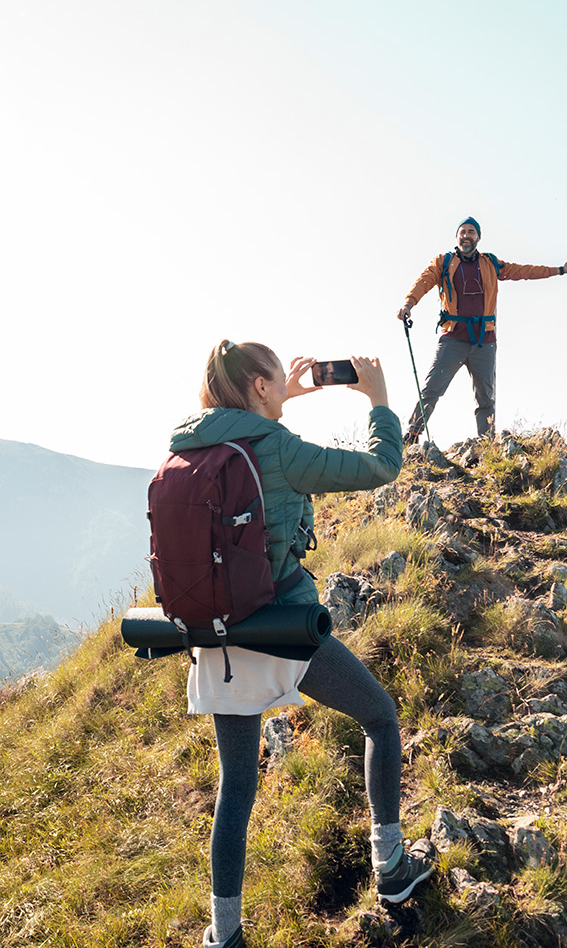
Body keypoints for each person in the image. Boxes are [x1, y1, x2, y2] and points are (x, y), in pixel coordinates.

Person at [168, 340, 432, 948]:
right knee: (381, 718)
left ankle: (224, 933)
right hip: (281, 627)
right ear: (259, 386)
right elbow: (379, 468)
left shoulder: (192, 446)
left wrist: (282, 401)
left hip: (216, 637)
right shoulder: (277, 448)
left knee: (236, 782)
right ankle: (390, 869)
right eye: (275, 374)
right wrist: (380, 401)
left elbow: (256, 473)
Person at [396, 216, 567, 444]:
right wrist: (409, 304)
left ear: (478, 237)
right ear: (457, 236)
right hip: (453, 339)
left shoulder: (491, 263)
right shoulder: (444, 262)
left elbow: (524, 271)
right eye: (463, 232)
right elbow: (424, 281)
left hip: (484, 342)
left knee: (486, 398)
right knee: (431, 390)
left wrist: (560, 270)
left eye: (471, 232)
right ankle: (411, 436)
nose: (466, 235)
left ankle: (486, 447)